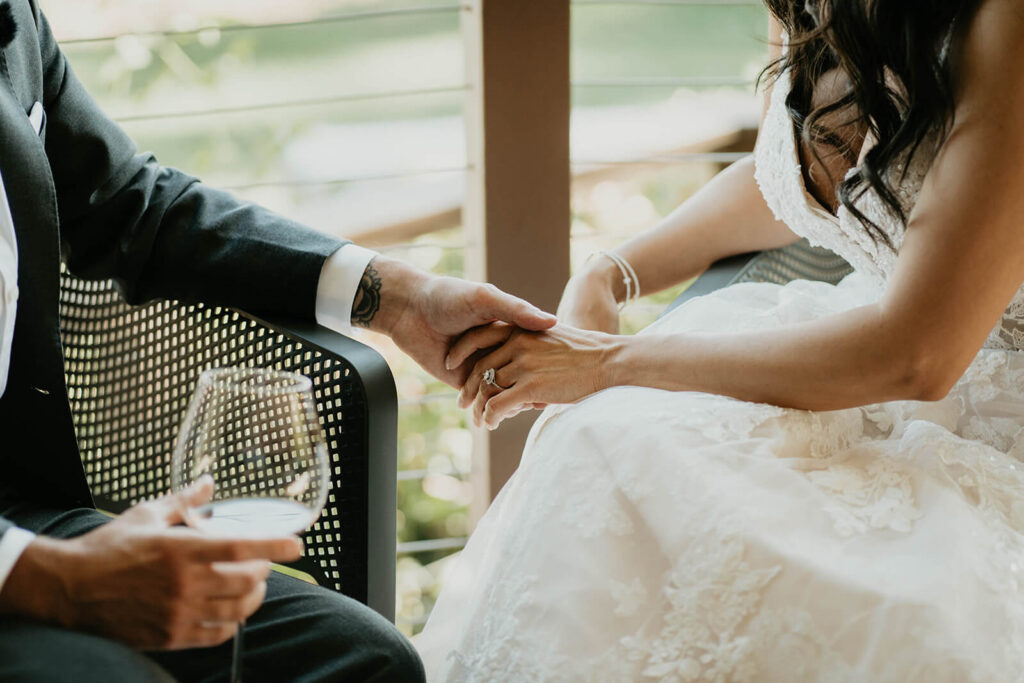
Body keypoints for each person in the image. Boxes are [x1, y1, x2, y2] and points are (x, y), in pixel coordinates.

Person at [416, 0, 1024, 680]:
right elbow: (793, 180)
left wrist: (608, 362)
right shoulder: (809, 5)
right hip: (870, 381)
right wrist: (611, 272)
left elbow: (917, 354)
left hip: (986, 431)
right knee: (608, 445)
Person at [0, 1, 556, 681]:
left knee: (368, 660)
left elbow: (129, 202)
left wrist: (396, 297)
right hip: (23, 565)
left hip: (26, 521)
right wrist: (57, 579)